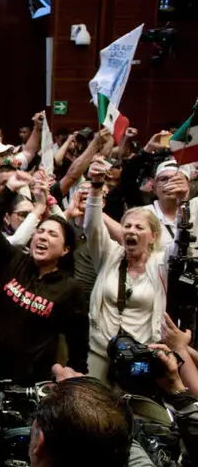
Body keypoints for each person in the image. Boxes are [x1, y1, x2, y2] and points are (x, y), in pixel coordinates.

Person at [0, 171, 89, 385]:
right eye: (40, 231)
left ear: (65, 250)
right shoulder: (14, 260)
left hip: (32, 384)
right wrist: (9, 190)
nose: (43, 237)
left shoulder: (70, 289)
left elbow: (78, 346)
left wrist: (74, 383)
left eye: (52, 234)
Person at [84, 159, 170, 382]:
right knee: (93, 406)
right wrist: (95, 187)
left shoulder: (162, 265)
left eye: (139, 227)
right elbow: (92, 228)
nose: (131, 231)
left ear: (153, 236)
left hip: (141, 355)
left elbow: (183, 245)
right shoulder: (110, 255)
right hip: (102, 350)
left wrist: (179, 201)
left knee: (133, 410)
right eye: (127, 226)